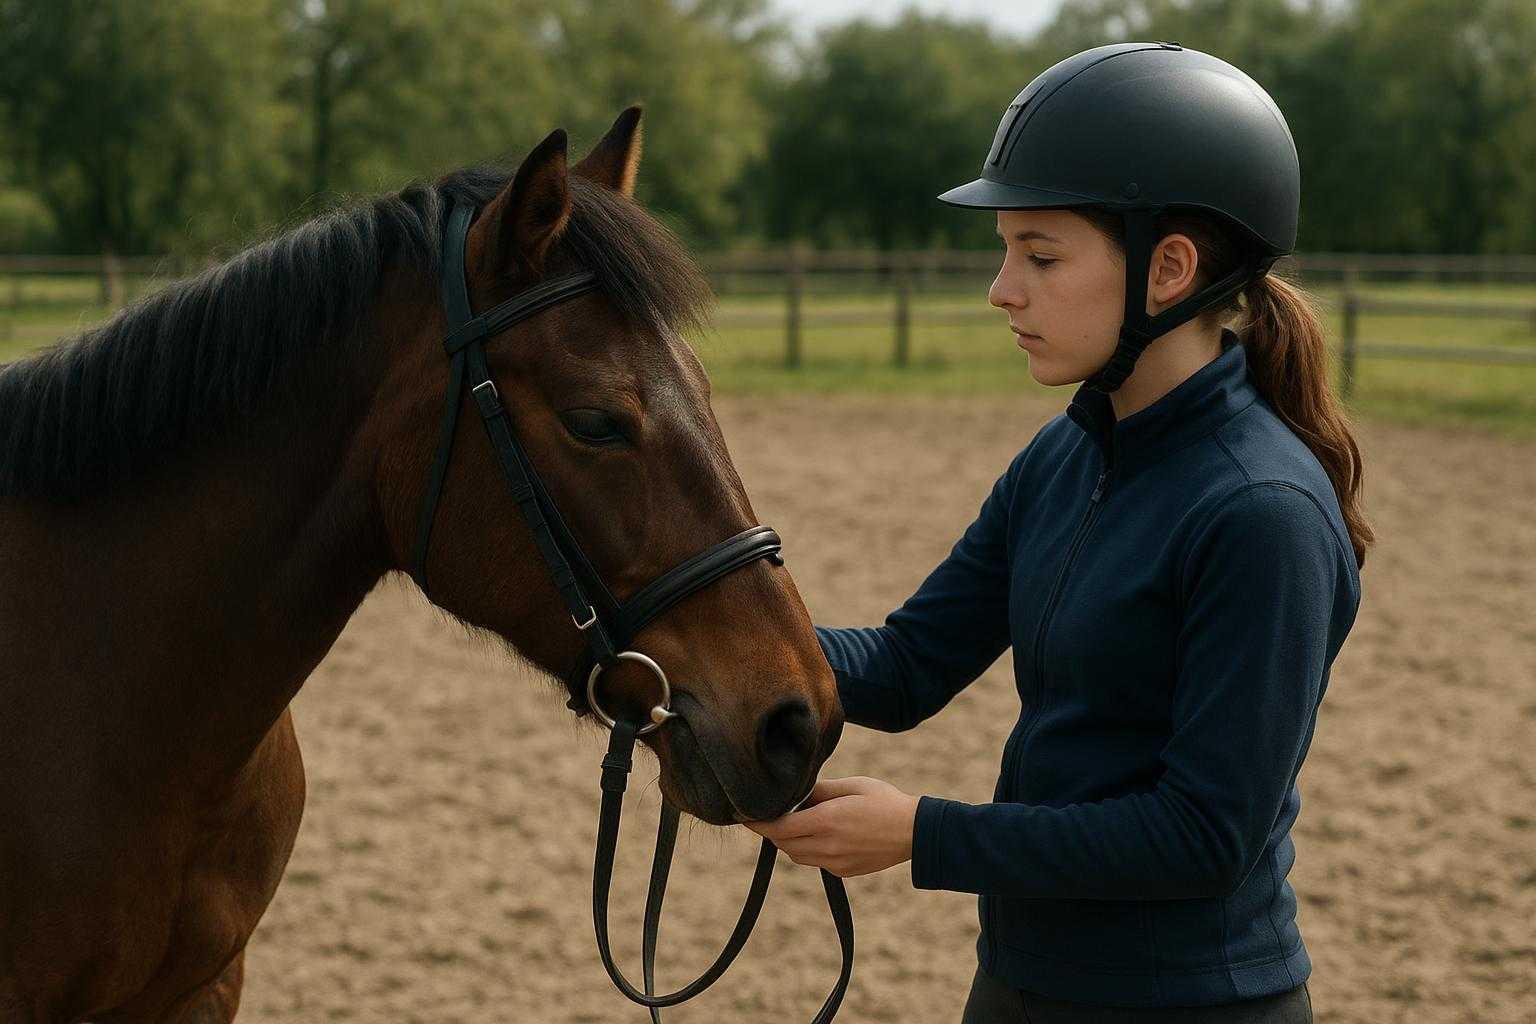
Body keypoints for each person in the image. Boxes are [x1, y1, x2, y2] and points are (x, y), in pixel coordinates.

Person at [745, 42, 1373, 1023]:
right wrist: (707, 641)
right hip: (1021, 986)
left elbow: (1203, 836)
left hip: (1192, 1005)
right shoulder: (1066, 454)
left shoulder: (1263, 514)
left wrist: (925, 832)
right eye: (1006, 254)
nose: (1003, 288)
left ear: (1170, 269)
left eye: (1039, 256)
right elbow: (911, 663)